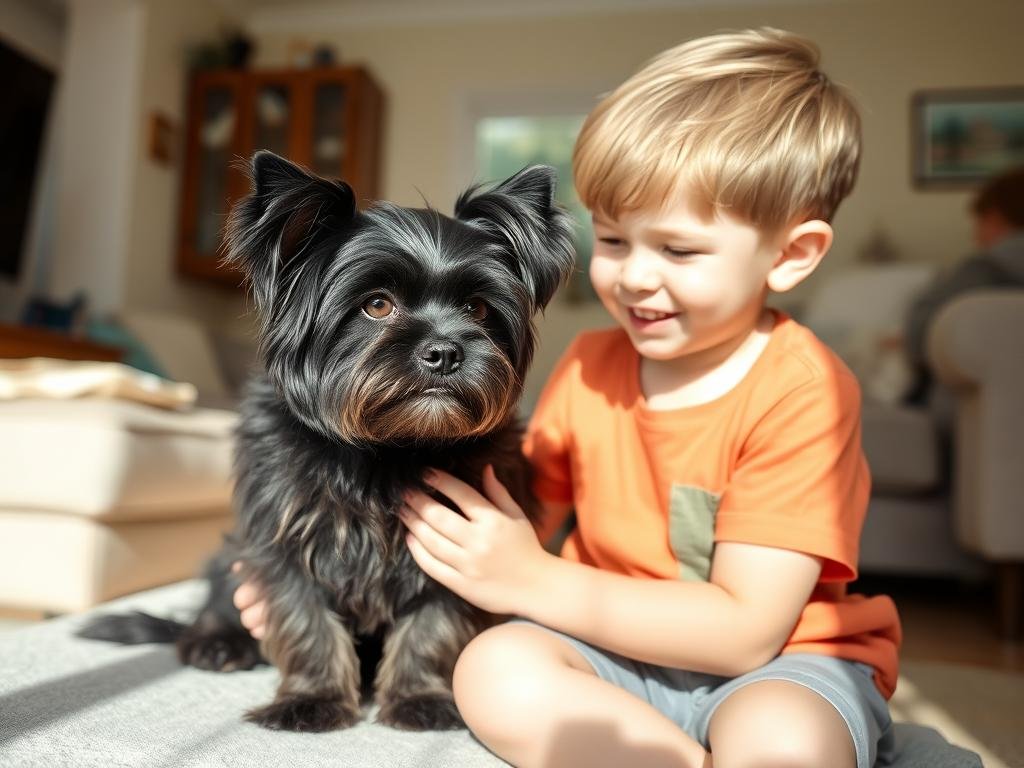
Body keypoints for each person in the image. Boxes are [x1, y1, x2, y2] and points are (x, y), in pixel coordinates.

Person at [234, 28, 901, 768]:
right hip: (601, 648)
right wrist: (283, 581)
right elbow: (513, 517)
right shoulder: (589, 363)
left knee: (785, 737)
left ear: (790, 255)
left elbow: (750, 632)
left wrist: (532, 577)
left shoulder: (803, 389)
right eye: (613, 242)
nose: (635, 276)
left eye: (677, 249)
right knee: (490, 673)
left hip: (782, 661)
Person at [904, 165, 1024, 403]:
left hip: (973, 415)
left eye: (979, 224)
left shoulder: (985, 267)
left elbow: (920, 337)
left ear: (994, 217)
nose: (975, 237)